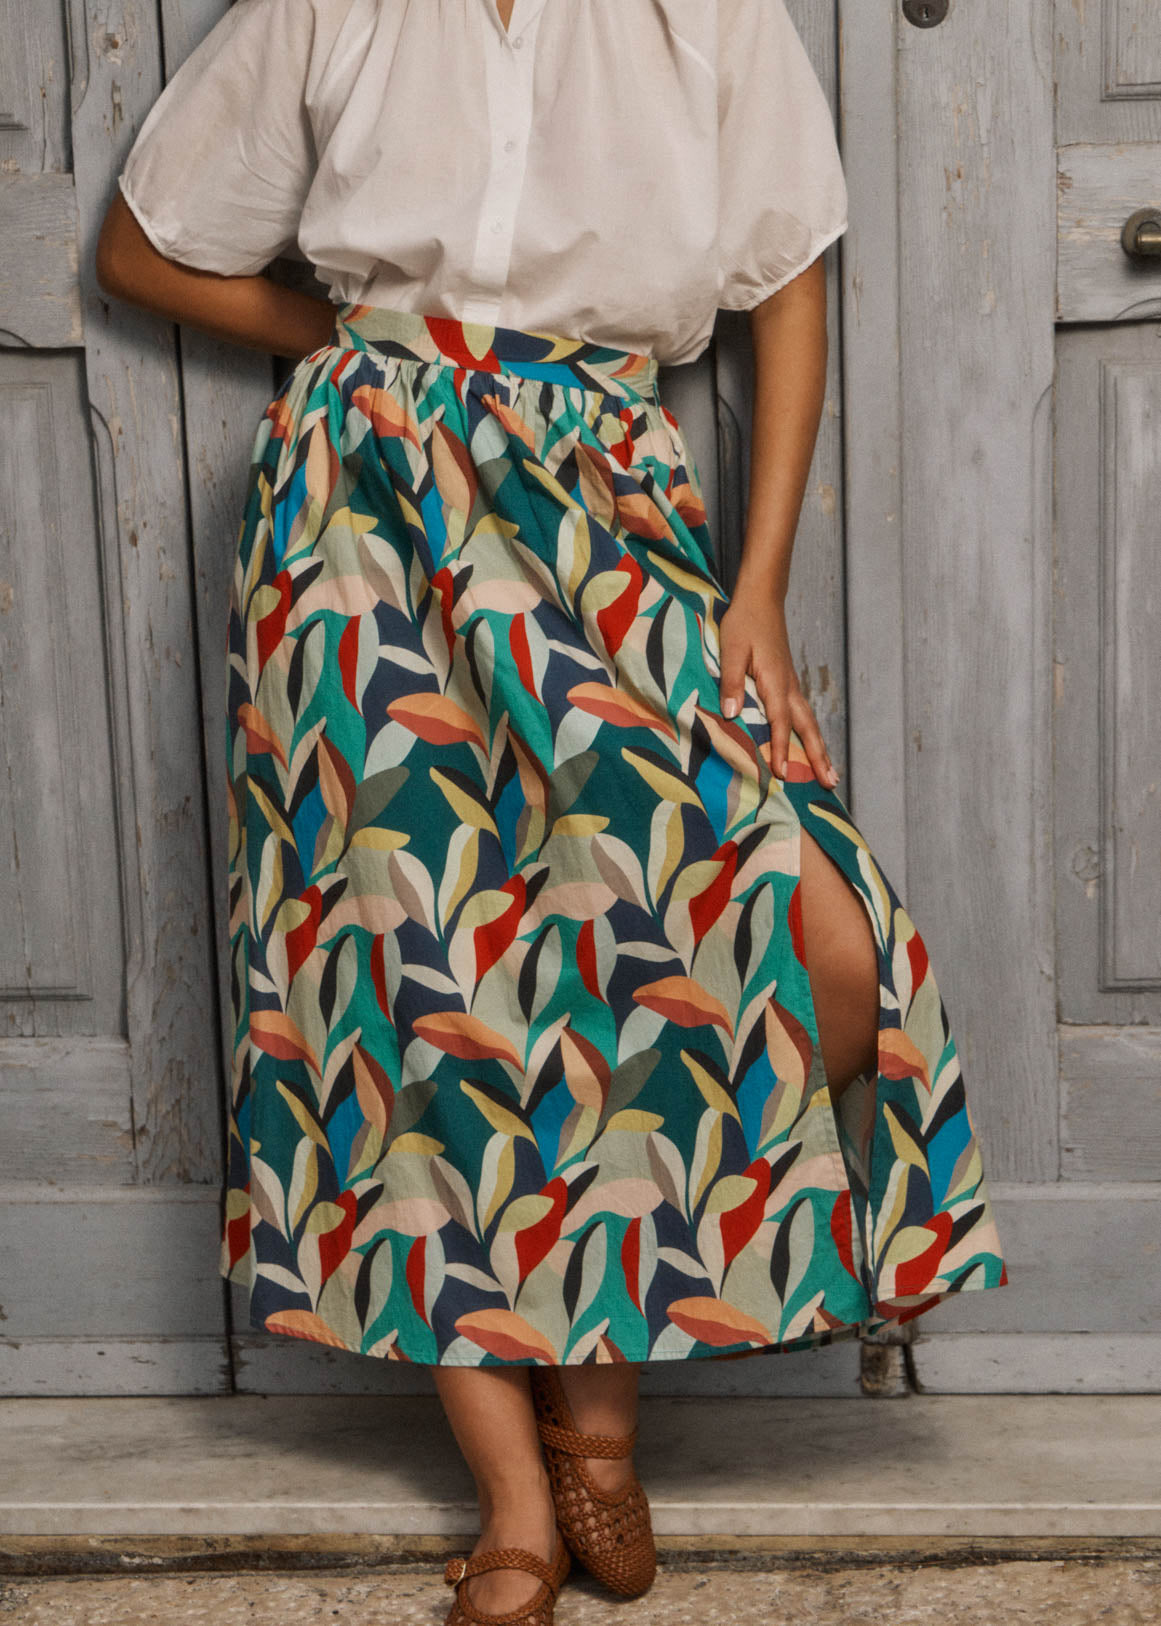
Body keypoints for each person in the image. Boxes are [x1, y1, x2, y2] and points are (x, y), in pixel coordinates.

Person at [97, 3, 1009, 1622]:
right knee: (406, 986)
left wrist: (757, 588)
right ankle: (518, 1494)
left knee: (781, 938)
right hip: (362, 517)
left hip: (602, 494)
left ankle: (596, 1414)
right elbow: (140, 253)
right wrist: (368, 346)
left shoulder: (709, 19)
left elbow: (787, 288)